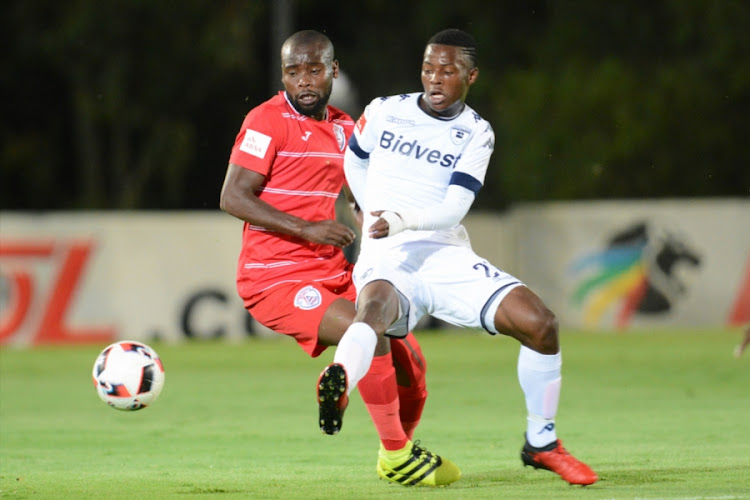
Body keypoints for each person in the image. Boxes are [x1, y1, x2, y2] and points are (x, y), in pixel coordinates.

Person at [318, 28, 599, 486]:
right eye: (428, 68)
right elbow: (355, 159)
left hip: (444, 251)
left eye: (447, 71)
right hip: (386, 254)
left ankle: (541, 442)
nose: (435, 78)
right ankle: (339, 380)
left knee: (541, 324)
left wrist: (401, 218)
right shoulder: (385, 110)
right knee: (372, 310)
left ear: (471, 76)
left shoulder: (476, 132)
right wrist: (370, 208)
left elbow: (454, 207)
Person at [219, 30, 438, 486]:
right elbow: (233, 196)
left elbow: (364, 196)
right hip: (274, 279)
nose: (304, 81)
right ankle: (398, 455)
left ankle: (393, 447)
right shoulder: (266, 121)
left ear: (333, 71)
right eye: (293, 71)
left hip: (333, 273)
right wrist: (306, 229)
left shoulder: (346, 129)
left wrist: (378, 221)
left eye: (314, 70)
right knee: (368, 332)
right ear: (283, 75)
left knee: (413, 364)